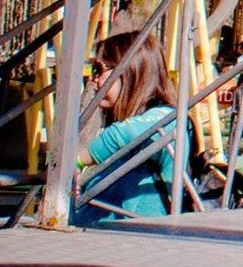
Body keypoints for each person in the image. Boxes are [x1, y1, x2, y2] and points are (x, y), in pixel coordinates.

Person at [75, 31, 180, 223]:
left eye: (98, 69)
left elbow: (125, 133)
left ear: (131, 71)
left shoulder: (169, 119)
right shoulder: (117, 129)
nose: (93, 79)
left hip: (142, 236)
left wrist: (77, 161)